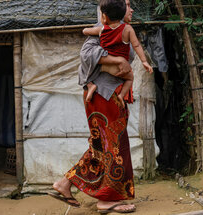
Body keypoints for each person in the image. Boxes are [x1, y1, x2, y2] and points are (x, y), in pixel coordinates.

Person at [50, 0, 142, 213]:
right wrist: (117, 61)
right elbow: (87, 55)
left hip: (111, 96)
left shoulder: (123, 31)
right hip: (103, 96)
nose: (131, 9)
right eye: (127, 5)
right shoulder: (101, 31)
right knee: (114, 147)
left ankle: (65, 184)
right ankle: (107, 199)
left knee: (102, 146)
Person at [83, 0, 153, 104]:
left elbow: (85, 31)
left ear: (105, 16)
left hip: (107, 71)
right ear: (122, 11)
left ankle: (89, 85)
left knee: (84, 71)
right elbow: (137, 45)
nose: (131, 10)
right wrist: (144, 61)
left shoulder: (102, 29)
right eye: (128, 6)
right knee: (130, 78)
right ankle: (121, 95)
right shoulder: (127, 29)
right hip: (104, 90)